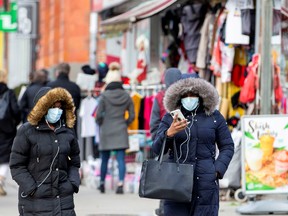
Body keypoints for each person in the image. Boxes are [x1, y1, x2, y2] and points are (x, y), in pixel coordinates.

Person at [152, 77, 234, 216]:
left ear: (201, 96)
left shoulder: (214, 117)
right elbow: (157, 149)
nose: (189, 98)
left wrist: (217, 170)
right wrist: (168, 134)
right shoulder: (169, 118)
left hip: (206, 183)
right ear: (178, 98)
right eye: (185, 95)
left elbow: (227, 146)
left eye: (193, 95)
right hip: (176, 182)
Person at [10, 87, 81, 215]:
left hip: (64, 200)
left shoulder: (67, 131)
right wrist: (32, 188)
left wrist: (73, 183)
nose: (57, 111)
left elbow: (75, 161)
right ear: (43, 107)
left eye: (60, 107)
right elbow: (17, 165)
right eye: (53, 107)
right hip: (35, 202)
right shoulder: (26, 131)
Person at [96, 62, 135, 194]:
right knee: (120, 159)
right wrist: (125, 123)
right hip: (121, 129)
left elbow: (98, 115)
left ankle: (101, 183)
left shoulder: (104, 96)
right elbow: (132, 115)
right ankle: (120, 184)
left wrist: (101, 123)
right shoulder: (126, 96)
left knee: (104, 159)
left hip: (106, 129)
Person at [149, 67, 181, 216]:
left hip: (166, 145)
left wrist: (160, 140)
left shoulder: (160, 97)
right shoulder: (186, 97)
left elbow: (154, 124)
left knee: (167, 180)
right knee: (182, 179)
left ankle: (163, 210)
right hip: (183, 146)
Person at [0, 69, 21, 196]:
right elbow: (16, 110)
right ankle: (1, 179)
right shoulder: (9, 93)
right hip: (6, 129)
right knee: (5, 158)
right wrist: (15, 123)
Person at [46, 62, 81, 136]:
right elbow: (77, 105)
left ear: (57, 72)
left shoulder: (50, 86)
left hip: (53, 125)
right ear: (68, 72)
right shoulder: (75, 87)